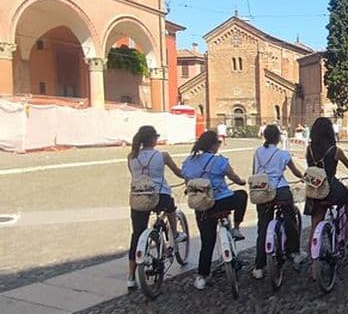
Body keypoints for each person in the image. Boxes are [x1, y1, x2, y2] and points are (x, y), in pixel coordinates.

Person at [182, 131, 248, 291]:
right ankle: (237, 228)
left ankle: (201, 277)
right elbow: (233, 177)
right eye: (218, 143)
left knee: (207, 241)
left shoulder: (188, 162)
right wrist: (241, 181)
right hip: (223, 201)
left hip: (203, 206)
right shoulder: (219, 161)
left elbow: (187, 181)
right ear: (213, 145)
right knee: (241, 196)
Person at [126, 126, 184, 290]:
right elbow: (178, 172)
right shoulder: (162, 155)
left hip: (138, 197)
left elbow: (135, 176)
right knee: (170, 207)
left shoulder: (131, 156)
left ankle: (131, 277)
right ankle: (175, 232)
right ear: (153, 139)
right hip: (159, 195)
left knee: (137, 234)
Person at [252, 125, 307, 279]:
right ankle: (294, 252)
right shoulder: (283, 154)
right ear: (278, 138)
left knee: (262, 227)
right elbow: (294, 171)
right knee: (290, 219)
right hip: (280, 190)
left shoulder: (257, 152)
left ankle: (259, 266)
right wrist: (302, 177)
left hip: (262, 190)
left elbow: (254, 172)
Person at [305, 117, 348, 242]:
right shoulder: (335, 150)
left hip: (314, 190)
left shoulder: (309, 149)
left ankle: (313, 256)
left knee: (315, 225)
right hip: (331, 187)